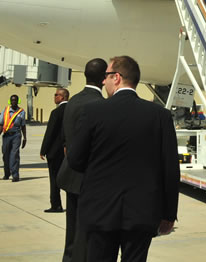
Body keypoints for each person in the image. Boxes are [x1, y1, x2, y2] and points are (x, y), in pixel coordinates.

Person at [68, 56, 179, 261]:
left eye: (106, 76)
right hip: (142, 212)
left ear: (117, 77)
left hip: (100, 210)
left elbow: (75, 160)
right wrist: (169, 214)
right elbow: (170, 169)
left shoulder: (92, 112)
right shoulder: (159, 116)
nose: (103, 81)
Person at [57, 58, 106, 262]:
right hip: (90, 178)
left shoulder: (73, 101)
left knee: (72, 228)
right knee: (88, 233)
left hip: (70, 173)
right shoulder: (101, 105)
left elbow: (66, 137)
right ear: (104, 79)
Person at [40, 88, 68, 213]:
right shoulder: (72, 110)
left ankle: (56, 204)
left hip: (55, 152)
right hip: (68, 151)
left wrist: (43, 149)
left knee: (54, 179)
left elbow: (50, 133)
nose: (54, 97)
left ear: (62, 97)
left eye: (56, 95)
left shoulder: (56, 112)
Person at [0, 94, 27, 182]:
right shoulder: (5, 110)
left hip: (16, 134)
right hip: (6, 135)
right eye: (12, 100)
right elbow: (1, 124)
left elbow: (23, 126)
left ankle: (15, 175)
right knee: (6, 155)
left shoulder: (21, 112)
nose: (14, 102)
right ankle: (6, 173)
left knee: (14, 154)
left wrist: (25, 138)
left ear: (18, 101)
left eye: (15, 100)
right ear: (10, 101)